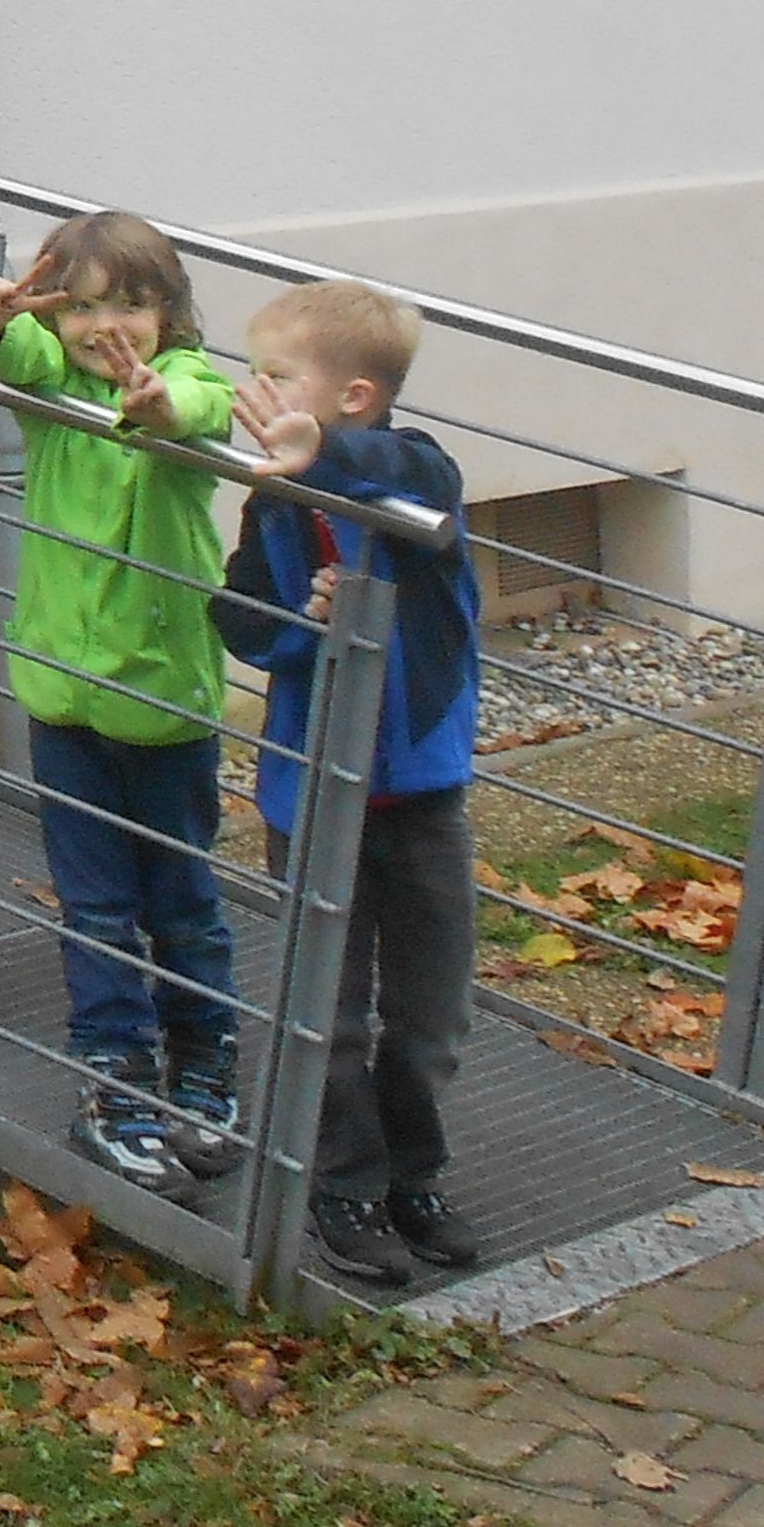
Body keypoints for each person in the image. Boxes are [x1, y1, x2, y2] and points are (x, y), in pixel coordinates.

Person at [0, 209, 243, 1196]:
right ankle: (113, 1085)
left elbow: (200, 411)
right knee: (96, 908)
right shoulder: (54, 393)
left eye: (128, 303)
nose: (102, 327)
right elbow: (12, 353)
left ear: (168, 312)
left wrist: (157, 399)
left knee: (185, 903)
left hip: (162, 703)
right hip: (64, 699)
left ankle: (206, 1060)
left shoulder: (190, 382)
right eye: (80, 307)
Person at [215, 279, 481, 1288]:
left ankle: (418, 1173)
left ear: (355, 399)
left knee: (430, 1014)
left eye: (280, 377)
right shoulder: (270, 498)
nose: (256, 393)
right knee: (328, 1009)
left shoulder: (420, 474)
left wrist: (319, 456)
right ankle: (346, 1187)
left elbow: (395, 474)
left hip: (421, 793)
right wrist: (304, 621)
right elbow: (239, 621)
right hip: (312, 794)